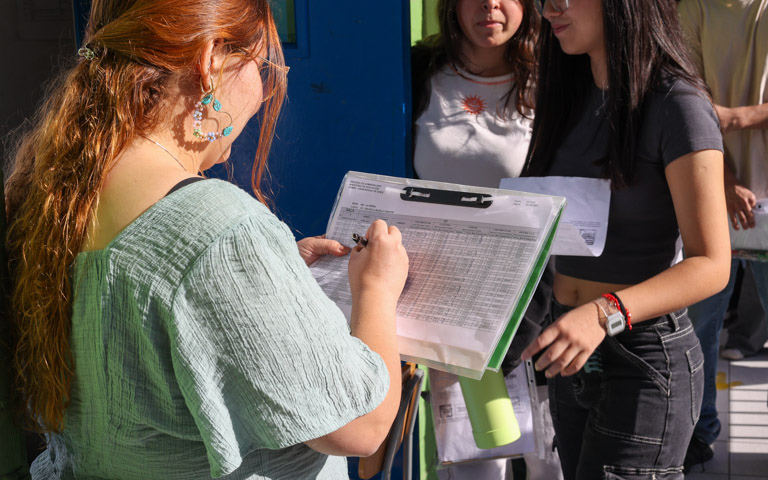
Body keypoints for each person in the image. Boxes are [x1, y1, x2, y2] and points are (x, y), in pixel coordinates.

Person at [3, 1, 409, 478]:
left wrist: (273, 281)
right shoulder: (218, 230)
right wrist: (376, 292)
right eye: (261, 67)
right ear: (211, 61)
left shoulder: (52, 194)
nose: (262, 90)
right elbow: (359, 428)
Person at [519, 0, 731, 478]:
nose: (549, 7)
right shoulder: (569, 93)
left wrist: (602, 314)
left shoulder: (678, 104)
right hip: (569, 349)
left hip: (641, 357)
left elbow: (712, 264)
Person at [412, 1, 562, 479]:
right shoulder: (419, 72)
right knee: (474, 459)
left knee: (548, 458)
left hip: (530, 303)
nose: (490, 5)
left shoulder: (557, 78)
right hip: (445, 299)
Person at [677, 0, 768, 470]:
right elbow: (682, 95)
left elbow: (719, 114)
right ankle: (698, 433)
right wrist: (724, 175)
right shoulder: (690, 10)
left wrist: (740, 117)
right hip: (708, 192)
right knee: (697, 327)